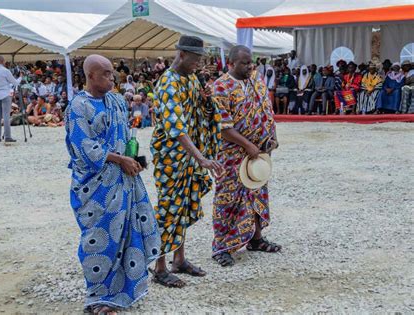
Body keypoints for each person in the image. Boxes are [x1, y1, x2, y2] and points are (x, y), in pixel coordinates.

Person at [64, 54, 160, 315]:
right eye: (105, 73)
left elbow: (127, 135)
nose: (111, 77)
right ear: (90, 76)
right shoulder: (78, 107)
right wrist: (120, 160)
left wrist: (135, 159)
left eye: (112, 72)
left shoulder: (117, 101)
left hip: (124, 180)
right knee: (99, 239)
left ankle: (126, 289)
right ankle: (97, 299)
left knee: (128, 233)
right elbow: (83, 148)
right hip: (96, 188)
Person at [150, 35, 224, 288]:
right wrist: (202, 158)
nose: (199, 65)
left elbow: (202, 113)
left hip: (189, 156)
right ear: (181, 54)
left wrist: (206, 100)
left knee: (183, 207)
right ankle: (159, 267)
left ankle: (179, 260)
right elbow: (176, 128)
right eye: (196, 60)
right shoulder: (167, 84)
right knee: (168, 209)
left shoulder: (191, 79)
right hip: (171, 158)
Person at [211, 45, 281, 267]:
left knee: (257, 193)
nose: (250, 66)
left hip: (259, 153)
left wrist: (271, 137)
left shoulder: (256, 80)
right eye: (244, 63)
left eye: (251, 62)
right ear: (230, 64)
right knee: (228, 200)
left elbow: (267, 111)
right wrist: (248, 145)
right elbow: (223, 127)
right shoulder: (220, 87)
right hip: (232, 154)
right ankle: (222, 246)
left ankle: (256, 239)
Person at [0, 55, 22, 143]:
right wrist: (20, 77)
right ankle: (7, 136)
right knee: (6, 116)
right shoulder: (5, 70)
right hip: (5, 94)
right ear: (3, 61)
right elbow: (15, 83)